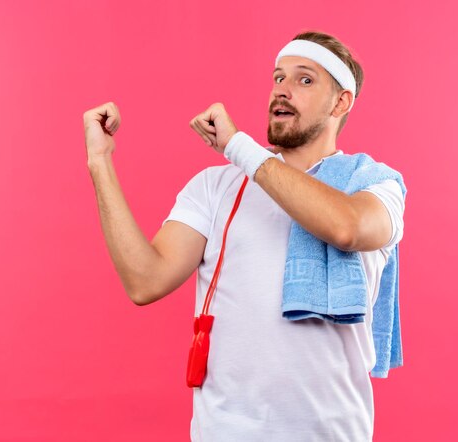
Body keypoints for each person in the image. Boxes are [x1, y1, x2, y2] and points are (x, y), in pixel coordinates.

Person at [84, 30, 405, 442]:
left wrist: (240, 147)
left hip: (333, 433)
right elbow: (145, 280)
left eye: (305, 80)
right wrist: (100, 162)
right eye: (278, 78)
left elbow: (346, 228)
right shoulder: (216, 186)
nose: (283, 91)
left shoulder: (376, 186)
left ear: (341, 102)